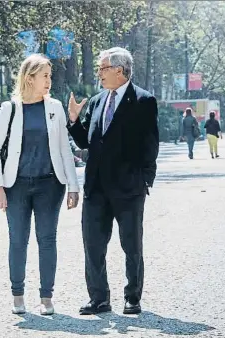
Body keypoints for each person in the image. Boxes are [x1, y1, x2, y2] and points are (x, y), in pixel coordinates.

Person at [67, 47, 159, 315]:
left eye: (103, 68)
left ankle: (132, 297)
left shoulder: (144, 101)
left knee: (131, 245)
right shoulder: (97, 101)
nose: (99, 73)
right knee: (92, 244)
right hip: (96, 188)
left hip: (129, 188)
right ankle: (99, 298)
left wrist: (145, 180)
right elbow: (86, 142)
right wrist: (73, 120)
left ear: (119, 70)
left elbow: (150, 144)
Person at [0, 54, 80, 315]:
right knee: (17, 240)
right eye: (45, 76)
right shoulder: (10, 108)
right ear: (30, 78)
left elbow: (64, 149)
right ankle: (17, 295)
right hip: (15, 186)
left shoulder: (55, 107)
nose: (49, 81)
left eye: (50, 76)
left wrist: (74, 186)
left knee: (47, 240)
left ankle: (46, 298)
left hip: (50, 185)